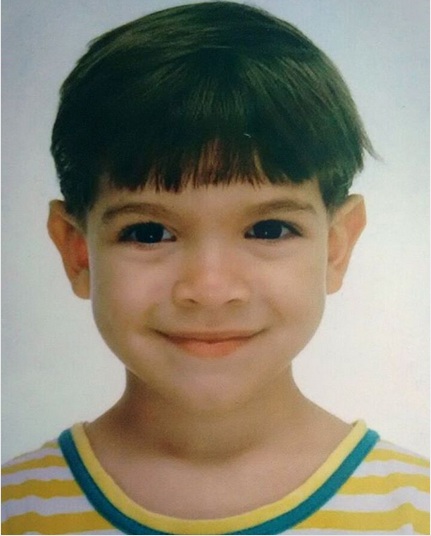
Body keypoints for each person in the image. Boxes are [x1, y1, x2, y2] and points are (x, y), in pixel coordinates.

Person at [2, 2, 429, 534]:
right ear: (77, 252)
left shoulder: (416, 511)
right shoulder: (15, 511)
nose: (209, 289)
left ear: (336, 249)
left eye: (268, 229)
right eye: (148, 232)